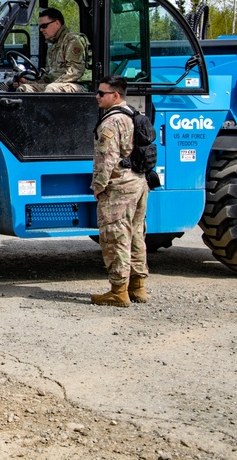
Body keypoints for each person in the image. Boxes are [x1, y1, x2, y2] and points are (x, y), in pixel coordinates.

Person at [90, 75, 148, 306]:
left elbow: (107, 159)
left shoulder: (111, 122)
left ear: (115, 95)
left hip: (119, 187)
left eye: (102, 93)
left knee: (115, 237)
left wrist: (98, 186)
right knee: (136, 235)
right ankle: (138, 287)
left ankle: (118, 291)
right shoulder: (134, 115)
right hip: (138, 182)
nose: (97, 96)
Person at [16, 7, 90, 92]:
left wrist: (52, 84)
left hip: (79, 85)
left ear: (57, 23)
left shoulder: (72, 40)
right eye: (40, 27)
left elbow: (75, 72)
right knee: (24, 89)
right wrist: (27, 81)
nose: (41, 30)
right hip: (57, 85)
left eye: (44, 26)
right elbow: (48, 76)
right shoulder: (53, 46)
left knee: (51, 89)